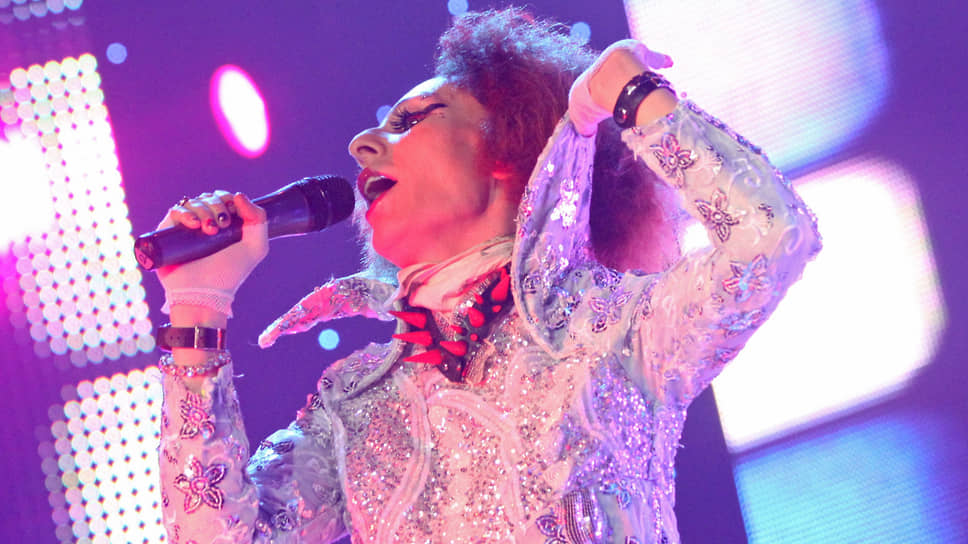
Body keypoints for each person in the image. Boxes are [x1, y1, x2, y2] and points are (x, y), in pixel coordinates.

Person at [153, 8, 820, 543]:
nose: (362, 145)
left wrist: (634, 96)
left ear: (507, 146)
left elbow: (771, 238)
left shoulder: (610, 326)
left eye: (411, 121)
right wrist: (197, 312)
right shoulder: (352, 402)